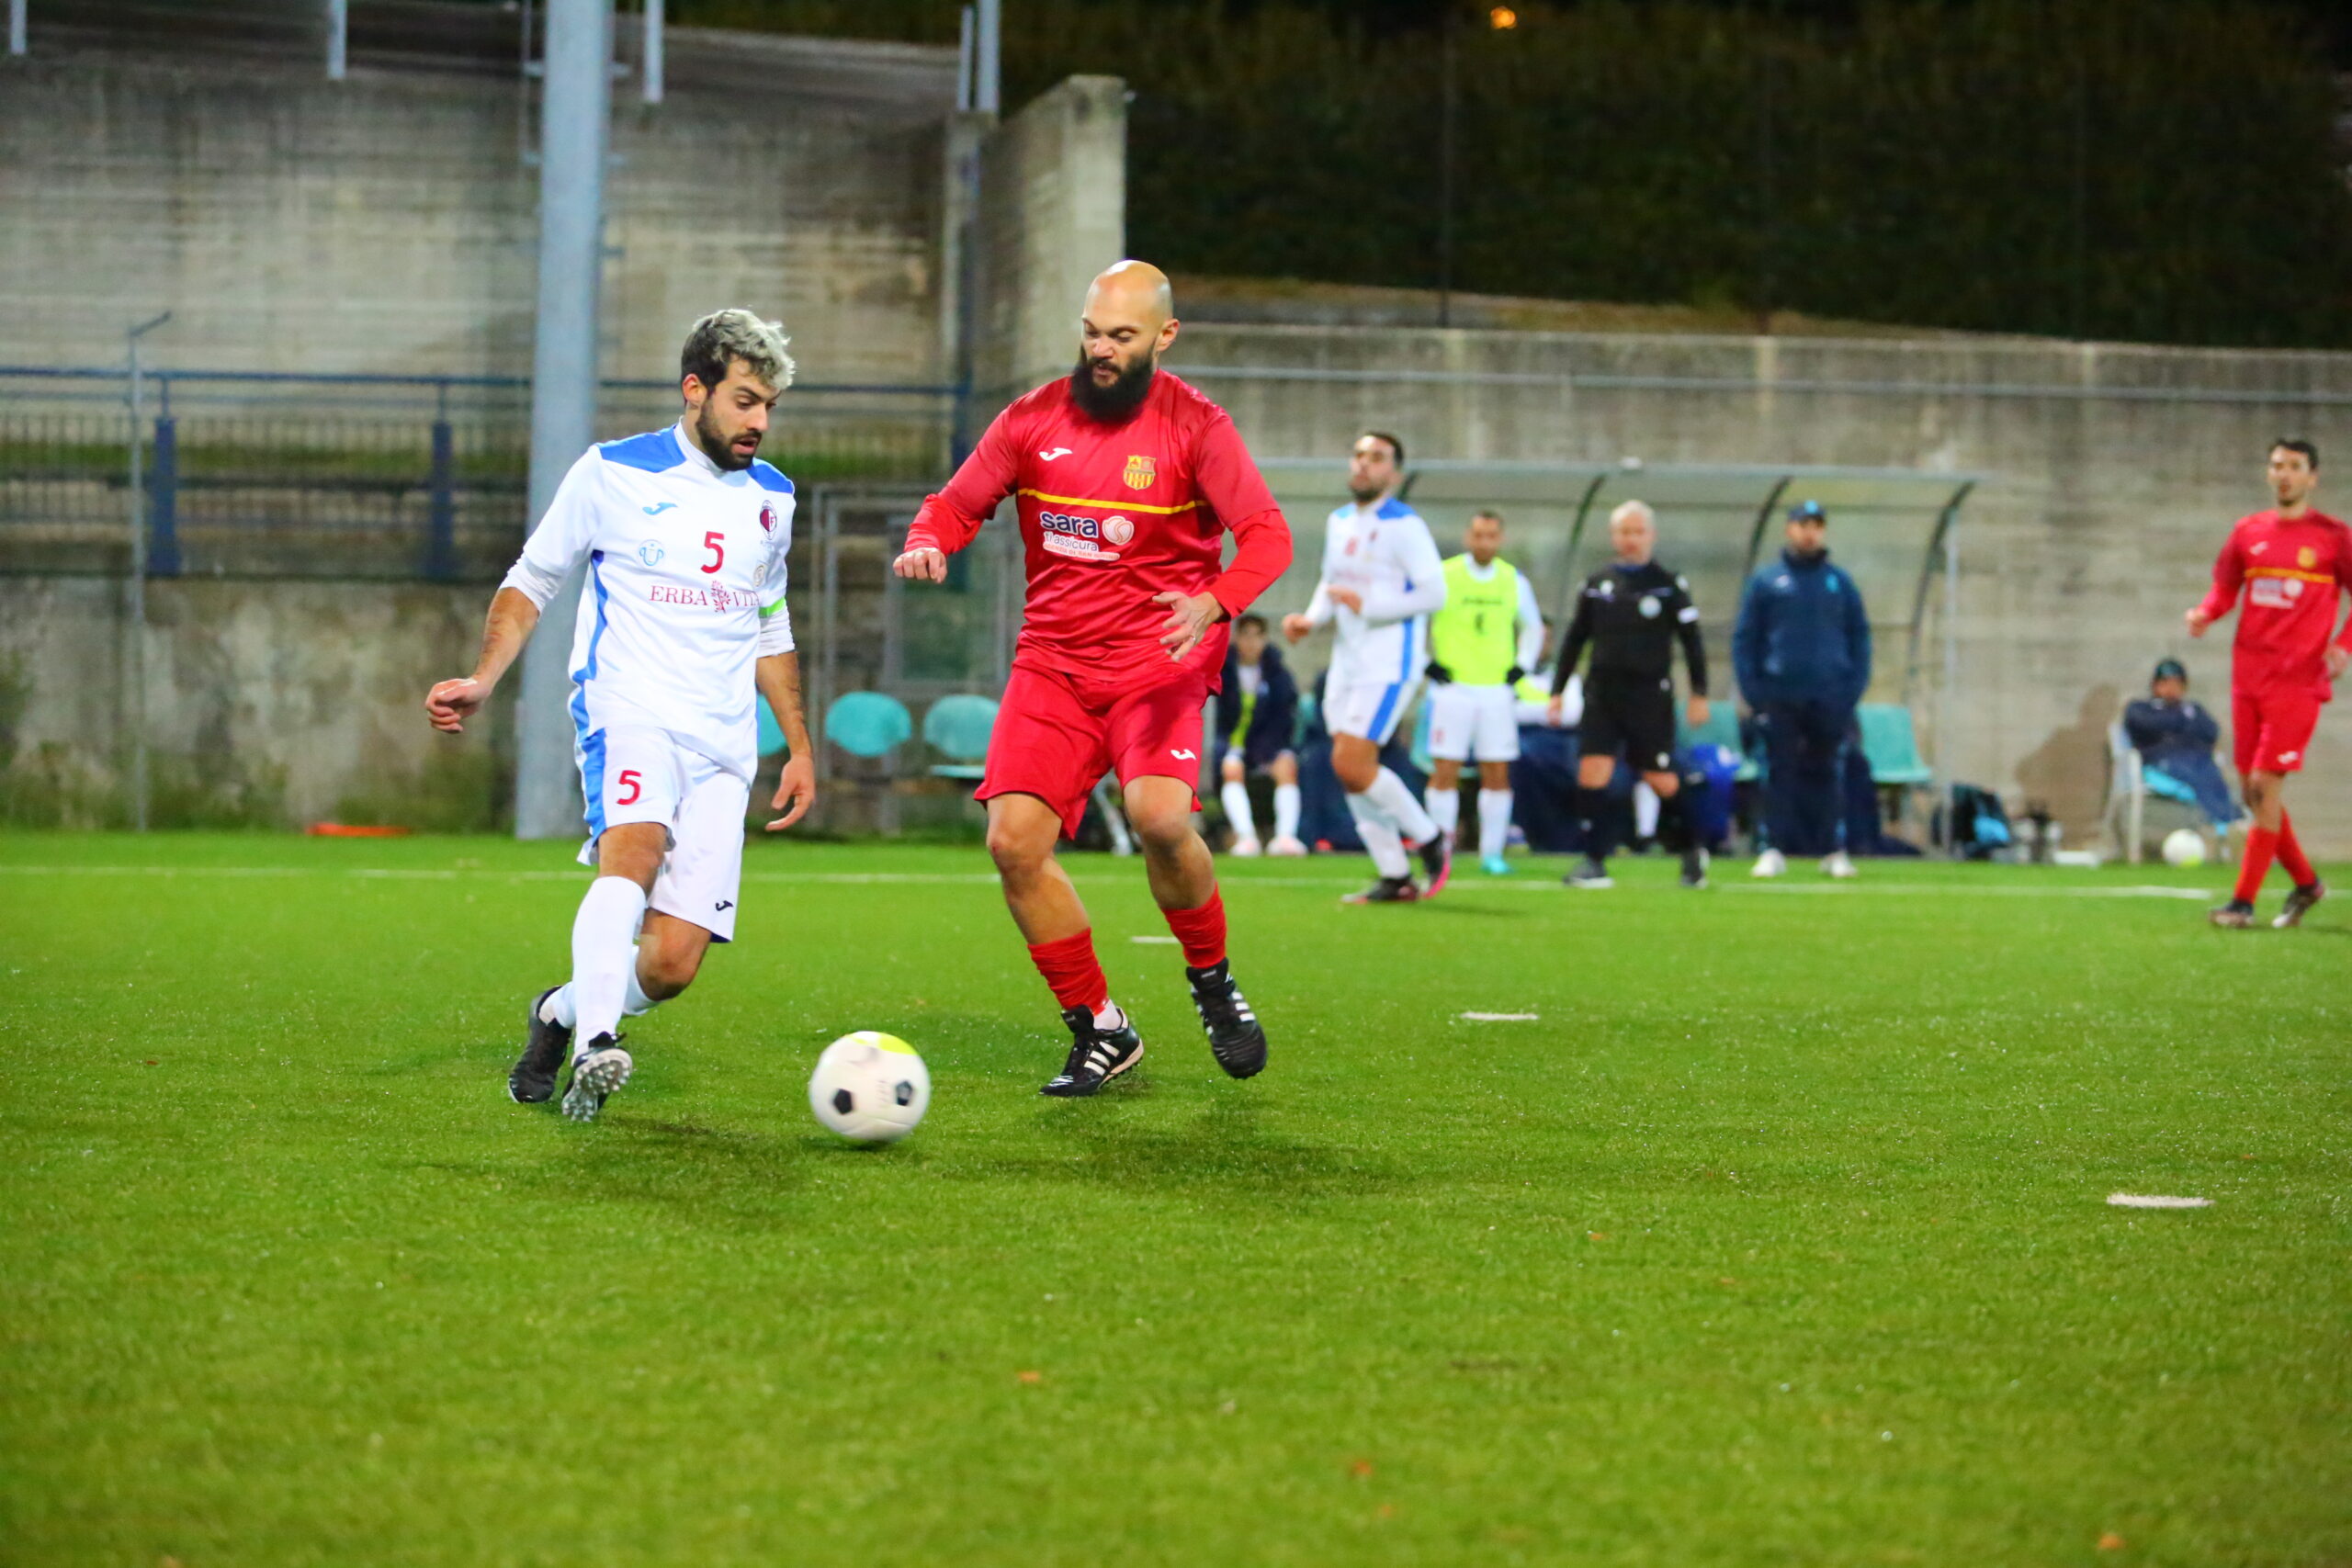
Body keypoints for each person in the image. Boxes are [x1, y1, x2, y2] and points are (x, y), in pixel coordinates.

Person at [891, 261, 1290, 1095]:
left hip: (1161, 664)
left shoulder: (1198, 427)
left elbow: (1267, 537)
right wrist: (932, 536)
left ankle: (1211, 978)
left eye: (1122, 337)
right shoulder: (1033, 419)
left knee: (1158, 818)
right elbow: (958, 502)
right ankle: (1102, 1026)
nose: (1101, 351)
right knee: (1012, 843)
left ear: (1164, 338)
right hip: (1056, 663)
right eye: (1091, 332)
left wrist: (1215, 603)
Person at [425, 310, 818, 1122]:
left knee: (672, 964)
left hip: (723, 743)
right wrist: (484, 675)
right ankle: (600, 1041)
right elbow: (532, 578)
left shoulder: (774, 498)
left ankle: (561, 1012)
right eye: (745, 401)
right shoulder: (610, 472)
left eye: (770, 406)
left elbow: (769, 625)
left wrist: (800, 748)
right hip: (628, 707)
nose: (760, 422)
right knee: (628, 857)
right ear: (694, 389)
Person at [1280, 433, 1451, 903]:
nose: (1363, 465)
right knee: (1351, 769)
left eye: (1376, 459)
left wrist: (1371, 605)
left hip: (1390, 661)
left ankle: (1430, 837)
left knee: (1351, 762)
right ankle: (1395, 875)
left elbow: (1434, 594)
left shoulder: (1405, 526)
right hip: (1348, 662)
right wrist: (1310, 620)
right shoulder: (1339, 522)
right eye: (1358, 456)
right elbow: (1332, 584)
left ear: (1393, 474)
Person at [2188, 438, 2350, 929]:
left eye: (2295, 467)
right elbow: (2226, 586)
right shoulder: (2248, 532)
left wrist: (2344, 643)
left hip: (2297, 681)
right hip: (2248, 679)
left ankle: (2241, 903)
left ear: (2312, 477)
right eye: (2277, 466)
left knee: (2263, 786)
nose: (2284, 475)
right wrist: (2205, 613)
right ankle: (2306, 883)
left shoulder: (2333, 537)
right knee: (2256, 796)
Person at [1548, 501, 1711, 889]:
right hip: (1603, 693)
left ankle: (1691, 851)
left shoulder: (1668, 584)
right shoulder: (1597, 583)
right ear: (1613, 536)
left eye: (1638, 532)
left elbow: (1692, 643)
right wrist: (1558, 690)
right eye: (1624, 532)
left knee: (1659, 778)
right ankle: (1593, 860)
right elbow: (1575, 639)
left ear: (1651, 535)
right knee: (1593, 772)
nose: (1631, 539)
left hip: (1649, 695)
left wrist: (1699, 693)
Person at [1732, 499, 1871, 879]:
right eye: (1802, 524)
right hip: (1779, 696)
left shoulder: (1839, 583)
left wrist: (1850, 690)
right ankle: (1772, 847)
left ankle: (1832, 849)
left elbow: (1859, 638)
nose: (1808, 532)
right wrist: (1754, 692)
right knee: (1777, 771)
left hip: (1829, 695)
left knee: (1830, 771)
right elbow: (1746, 640)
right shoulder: (1767, 581)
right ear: (1789, 529)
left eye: (1816, 525)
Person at [1424, 508, 1546, 875]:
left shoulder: (1513, 580)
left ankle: (1491, 853)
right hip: (1454, 689)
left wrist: (1520, 667)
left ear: (1500, 539)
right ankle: (1440, 848)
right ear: (1468, 537)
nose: (1484, 542)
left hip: (1495, 691)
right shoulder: (1445, 575)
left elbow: (1534, 627)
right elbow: (1415, 618)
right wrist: (1425, 664)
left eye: (1491, 536)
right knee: (1446, 768)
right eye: (1478, 535)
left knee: (1497, 771)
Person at [1215, 614, 1305, 855]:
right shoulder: (1223, 671)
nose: (1252, 643)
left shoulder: (1278, 675)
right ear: (1236, 638)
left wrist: (1268, 749)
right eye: (1246, 636)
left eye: (1258, 636)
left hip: (1269, 745)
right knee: (1231, 769)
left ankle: (1286, 837)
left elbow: (1284, 716)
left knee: (1287, 766)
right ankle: (1246, 837)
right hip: (1234, 744)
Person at [2122, 658, 2236, 829]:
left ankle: (2227, 824)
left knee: (2212, 777)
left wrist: (2177, 722)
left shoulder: (2193, 709)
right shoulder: (2141, 708)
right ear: (2155, 685)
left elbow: (2210, 732)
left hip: (2198, 763)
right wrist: (2181, 721)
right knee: (2192, 774)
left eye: (2176, 683)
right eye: (2166, 683)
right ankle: (2213, 824)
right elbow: (2146, 725)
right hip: (2161, 764)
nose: (2171, 689)